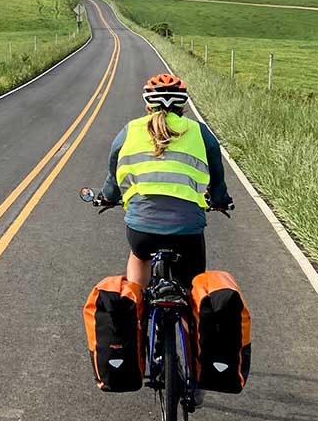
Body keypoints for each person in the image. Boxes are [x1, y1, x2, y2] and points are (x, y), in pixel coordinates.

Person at [97, 73, 232, 289]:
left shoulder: (131, 129)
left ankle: (135, 302)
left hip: (142, 229)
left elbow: (114, 167)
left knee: (139, 256)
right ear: (183, 105)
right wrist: (220, 199)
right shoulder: (199, 131)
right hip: (187, 228)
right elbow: (217, 174)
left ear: (148, 105)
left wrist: (109, 196)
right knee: (192, 288)